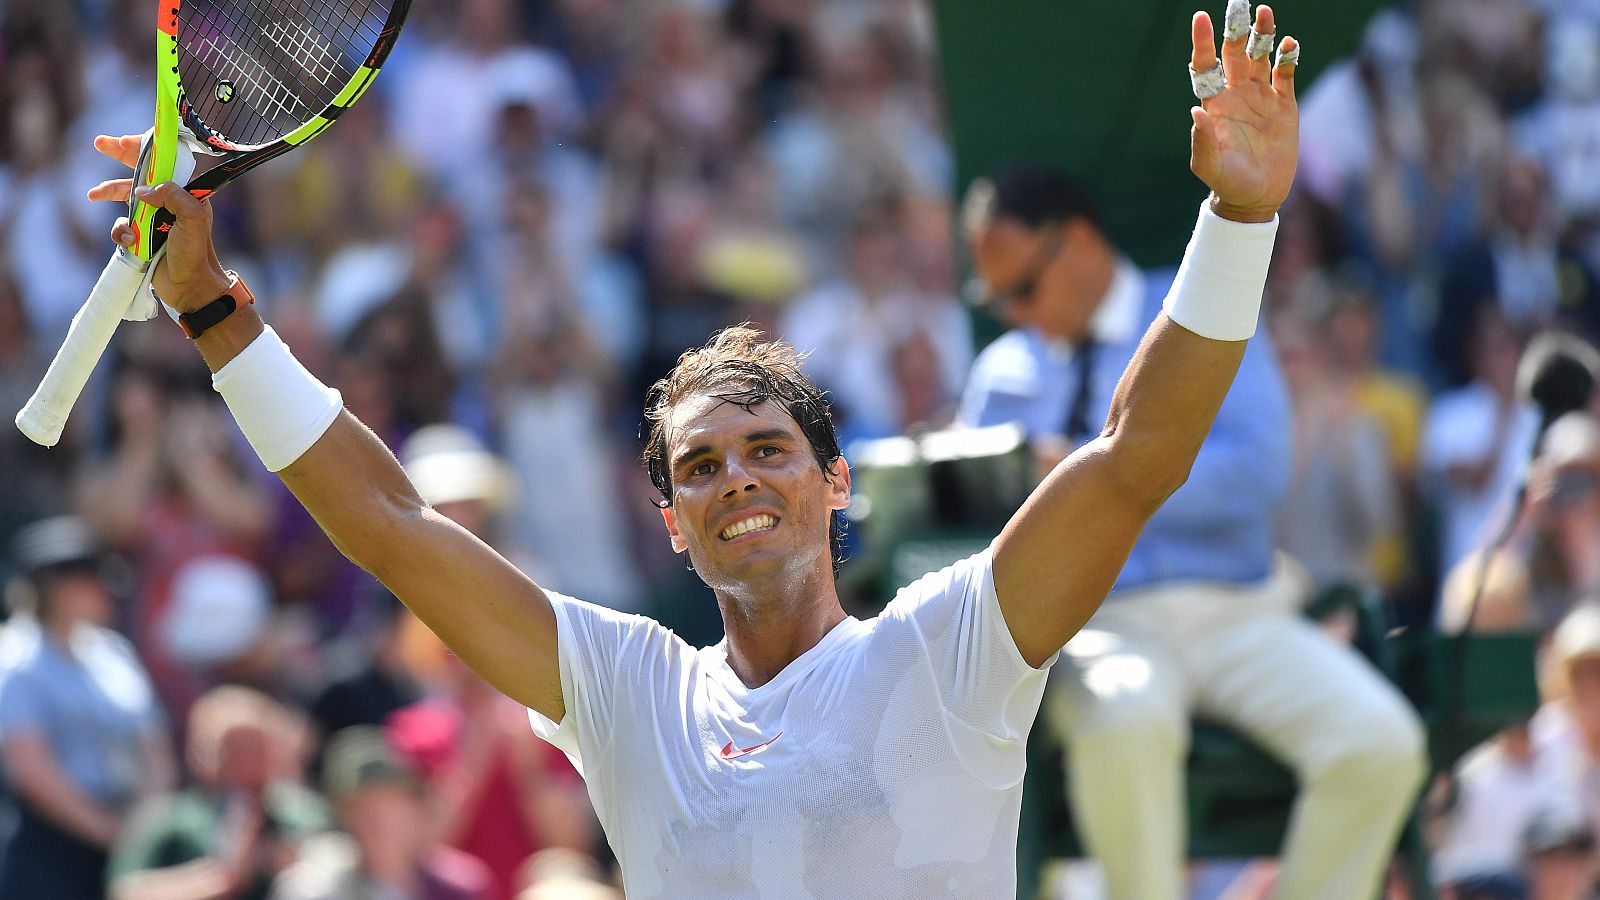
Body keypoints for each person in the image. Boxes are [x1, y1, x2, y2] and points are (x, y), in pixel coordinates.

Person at [87, 2, 1299, 894]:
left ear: (836, 481)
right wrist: (212, 311)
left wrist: (1239, 217)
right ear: (670, 523)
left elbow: (1136, 453)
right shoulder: (626, 690)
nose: (738, 481)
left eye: (768, 449)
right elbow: (394, 528)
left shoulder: (950, 646)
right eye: (700, 469)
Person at [956, 108, 1423, 900]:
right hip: (1094, 624)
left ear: (1077, 241)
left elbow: (1259, 474)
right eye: (998, 298)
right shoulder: (1001, 373)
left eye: (1024, 287)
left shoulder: (1204, 315)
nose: (1015, 314)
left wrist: (1093, 480)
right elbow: (977, 528)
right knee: (1127, 719)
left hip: (1237, 608)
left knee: (1381, 742)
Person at [0, 515, 176, 899]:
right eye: (88, 579)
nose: (103, 591)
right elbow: (30, 769)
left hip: (129, 834)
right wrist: (106, 830)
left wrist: (144, 827)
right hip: (49, 844)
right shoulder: (16, 657)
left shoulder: (112, 651)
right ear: (55, 587)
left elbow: (153, 744)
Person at [107, 685, 331, 900]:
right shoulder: (168, 821)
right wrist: (220, 878)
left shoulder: (302, 816)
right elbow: (126, 892)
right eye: (236, 749)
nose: (248, 762)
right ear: (202, 754)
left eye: (258, 748)